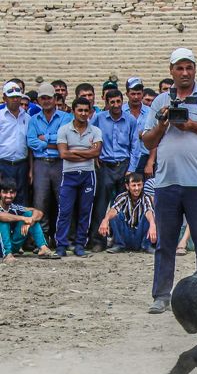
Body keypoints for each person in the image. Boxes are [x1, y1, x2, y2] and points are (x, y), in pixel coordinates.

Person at [142, 47, 197, 313]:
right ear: (171, 71)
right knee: (165, 243)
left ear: (194, 70)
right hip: (167, 183)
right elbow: (148, 142)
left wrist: (190, 125)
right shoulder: (160, 101)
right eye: (179, 68)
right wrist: (162, 124)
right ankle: (161, 296)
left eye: (189, 67)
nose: (184, 72)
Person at [90, 88, 140, 250]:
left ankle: (120, 241)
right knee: (100, 205)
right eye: (112, 102)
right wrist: (94, 154)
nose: (116, 105)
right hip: (105, 166)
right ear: (106, 103)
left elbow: (135, 146)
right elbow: (90, 135)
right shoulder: (98, 118)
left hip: (124, 165)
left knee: (122, 205)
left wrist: (131, 169)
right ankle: (98, 241)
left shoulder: (130, 120)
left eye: (118, 101)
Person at [55, 97, 102, 257]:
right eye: (80, 110)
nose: (83, 113)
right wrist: (86, 153)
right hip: (69, 174)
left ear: (90, 112)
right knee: (65, 211)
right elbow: (63, 154)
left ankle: (80, 244)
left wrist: (73, 151)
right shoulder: (64, 130)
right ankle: (61, 245)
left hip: (88, 175)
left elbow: (96, 152)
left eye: (86, 110)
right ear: (73, 111)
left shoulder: (95, 131)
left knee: (85, 212)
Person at [26, 83, 70, 244]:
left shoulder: (65, 117)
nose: (46, 101)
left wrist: (45, 139)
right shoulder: (33, 119)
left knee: (63, 200)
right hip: (41, 163)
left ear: (55, 98)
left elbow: (65, 139)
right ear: (38, 100)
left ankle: (61, 238)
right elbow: (31, 141)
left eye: (49, 98)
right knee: (40, 201)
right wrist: (53, 142)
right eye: (43, 98)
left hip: (60, 163)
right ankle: (42, 240)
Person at [0, 178, 58, 262]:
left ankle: (43, 248)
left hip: (13, 246)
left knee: (29, 214)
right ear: (0, 193)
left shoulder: (14, 207)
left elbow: (38, 212)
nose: (8, 195)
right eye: (5, 192)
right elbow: (1, 215)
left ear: (15, 194)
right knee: (3, 220)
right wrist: (24, 218)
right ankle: (7, 254)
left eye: (11, 192)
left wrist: (30, 221)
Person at [98, 172, 156, 253]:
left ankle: (146, 246)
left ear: (142, 185)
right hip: (126, 235)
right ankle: (119, 245)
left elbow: (148, 210)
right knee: (115, 215)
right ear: (127, 186)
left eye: (139, 185)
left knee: (150, 217)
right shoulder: (122, 197)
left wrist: (152, 224)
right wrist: (105, 220)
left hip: (140, 235)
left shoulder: (146, 197)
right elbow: (114, 209)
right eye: (134, 185)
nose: (137, 188)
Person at [0, 81, 30, 205]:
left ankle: (20, 219)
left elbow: (29, 145)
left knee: (21, 198)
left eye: (18, 97)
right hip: (3, 164)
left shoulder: (27, 118)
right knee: (4, 199)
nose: (15, 100)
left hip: (22, 164)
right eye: (12, 97)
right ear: (4, 98)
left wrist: (31, 170)